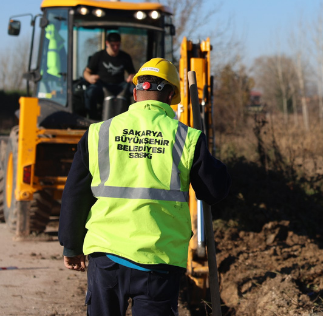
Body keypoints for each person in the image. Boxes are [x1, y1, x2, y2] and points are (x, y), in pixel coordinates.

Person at [59, 58, 231, 316]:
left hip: (106, 255)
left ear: (135, 92)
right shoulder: (187, 138)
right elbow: (214, 191)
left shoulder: (99, 132)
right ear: (171, 95)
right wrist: (208, 156)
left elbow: (75, 193)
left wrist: (71, 245)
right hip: (158, 261)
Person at [83, 32, 137, 118]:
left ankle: (134, 116)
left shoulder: (125, 57)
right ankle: (92, 118)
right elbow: (86, 72)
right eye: (113, 45)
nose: (115, 48)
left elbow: (133, 73)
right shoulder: (98, 56)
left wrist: (132, 77)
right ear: (107, 43)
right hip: (102, 85)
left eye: (118, 45)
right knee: (90, 92)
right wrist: (89, 78)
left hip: (121, 86)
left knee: (137, 90)